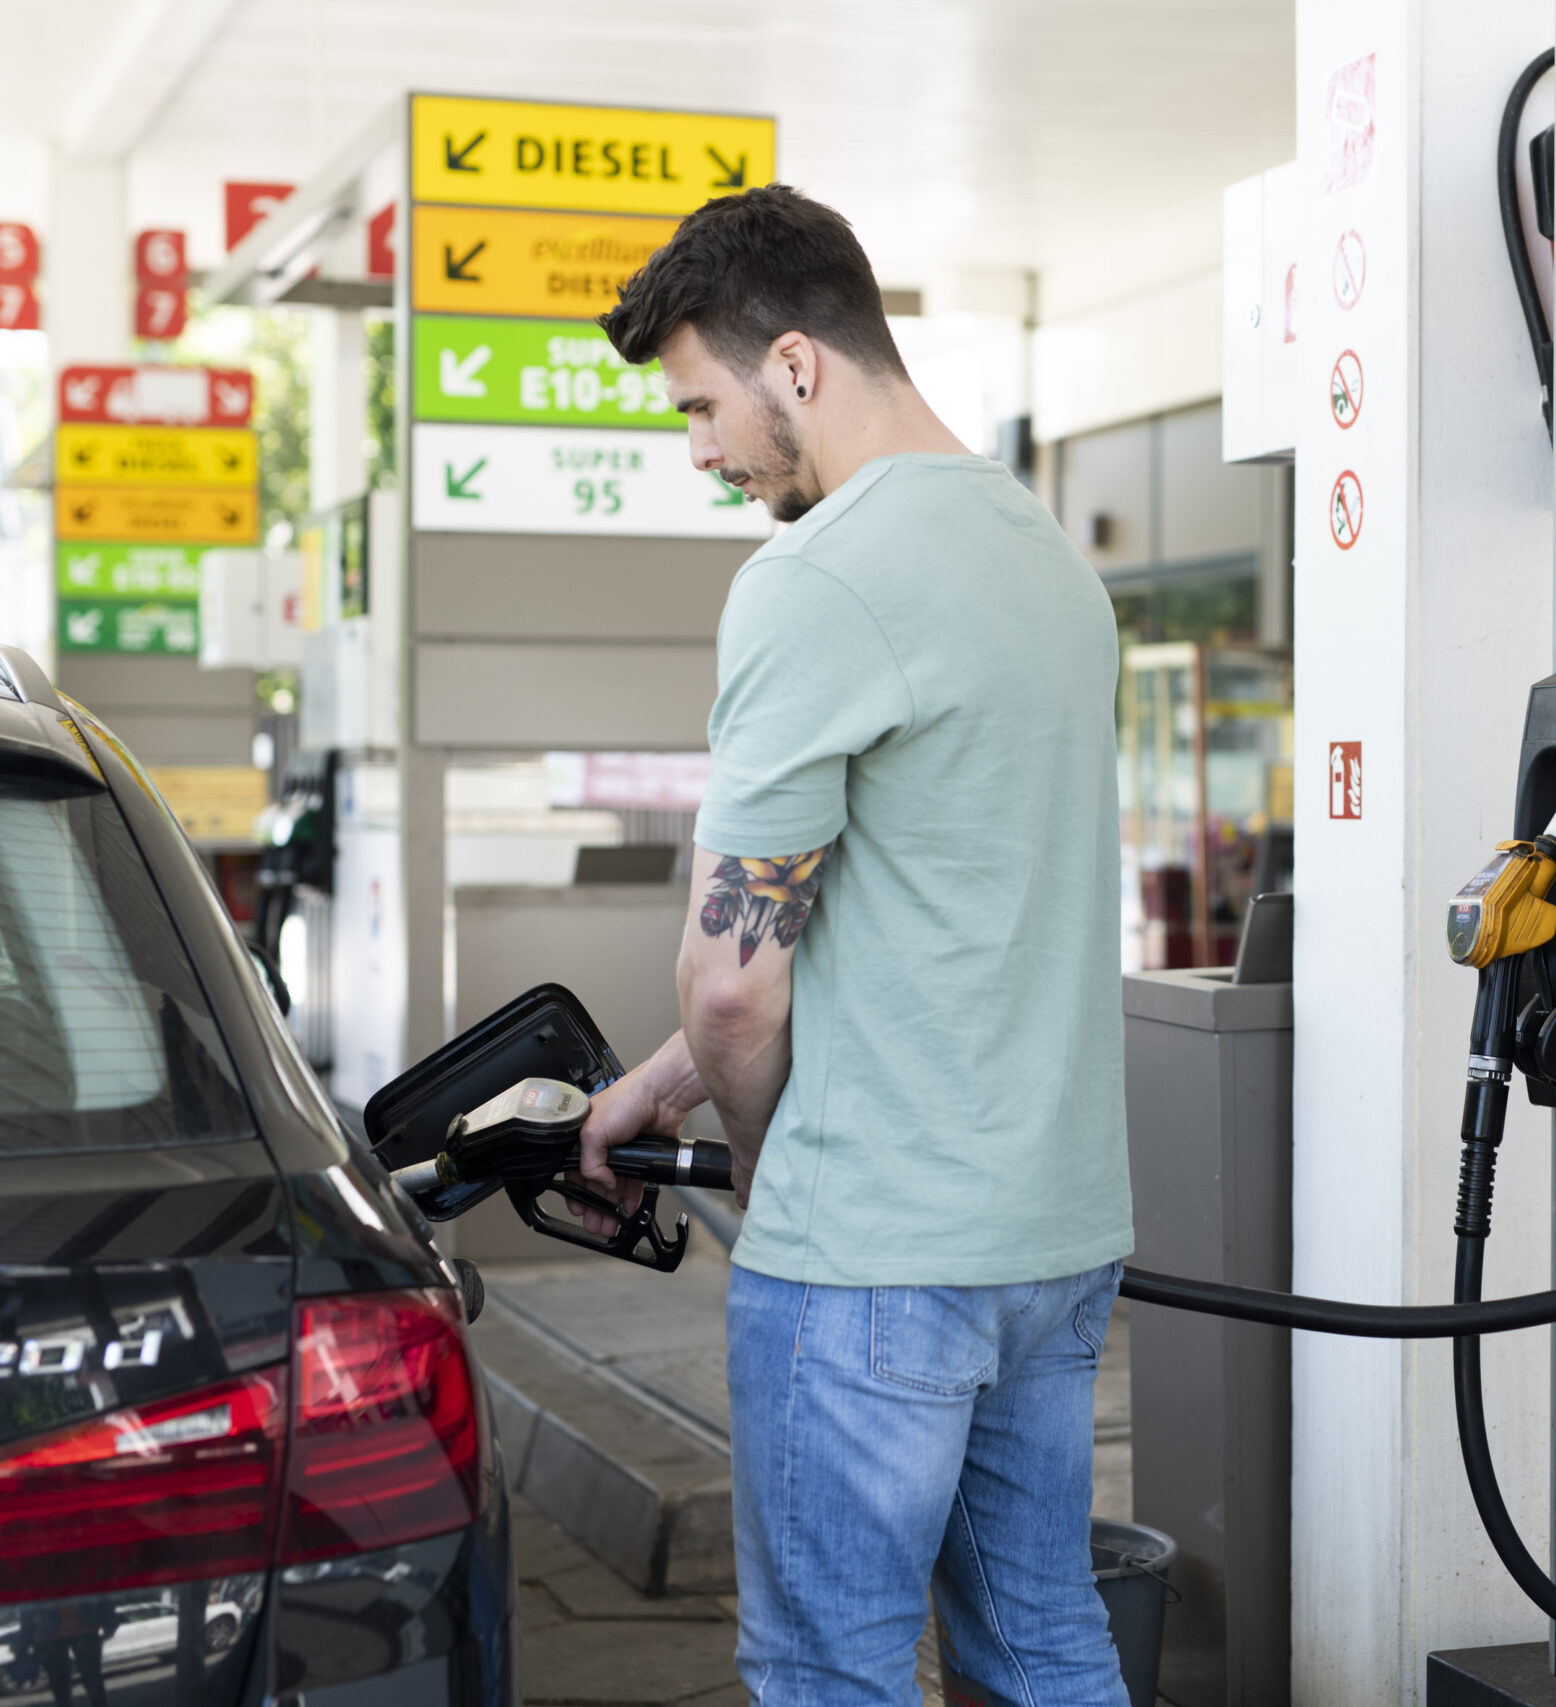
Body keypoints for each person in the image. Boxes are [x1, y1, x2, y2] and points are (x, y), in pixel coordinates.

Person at [575, 185, 1134, 1705]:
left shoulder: (814, 578)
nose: (700, 450)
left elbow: (738, 973)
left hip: (877, 1251)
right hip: (1050, 1234)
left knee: (833, 1669)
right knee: (1041, 1639)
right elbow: (936, 909)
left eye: (702, 407)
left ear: (799, 366)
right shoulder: (1044, 558)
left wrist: (762, 1156)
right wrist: (668, 1085)